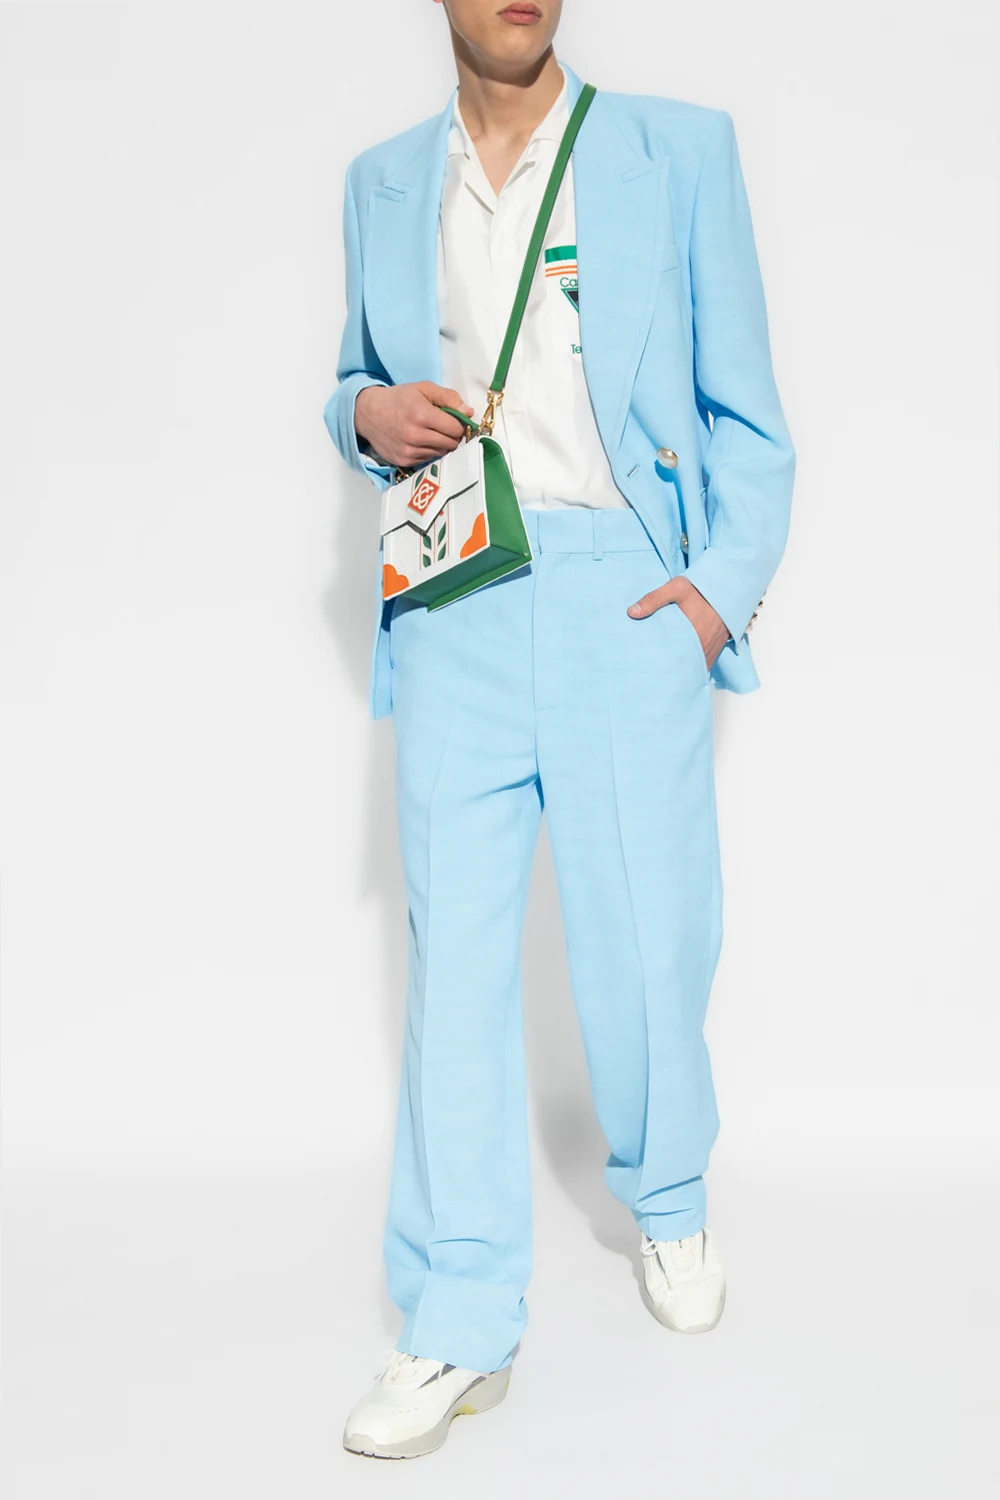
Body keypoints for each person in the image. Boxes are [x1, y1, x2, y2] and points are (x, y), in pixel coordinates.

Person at [323, 0, 794, 1461]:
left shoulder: (675, 151)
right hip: (454, 593)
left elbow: (748, 413)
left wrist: (714, 596)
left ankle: (669, 1196)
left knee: (648, 936)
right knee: (456, 967)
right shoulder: (383, 181)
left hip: (622, 593)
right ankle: (457, 1318)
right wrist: (365, 415)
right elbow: (351, 381)